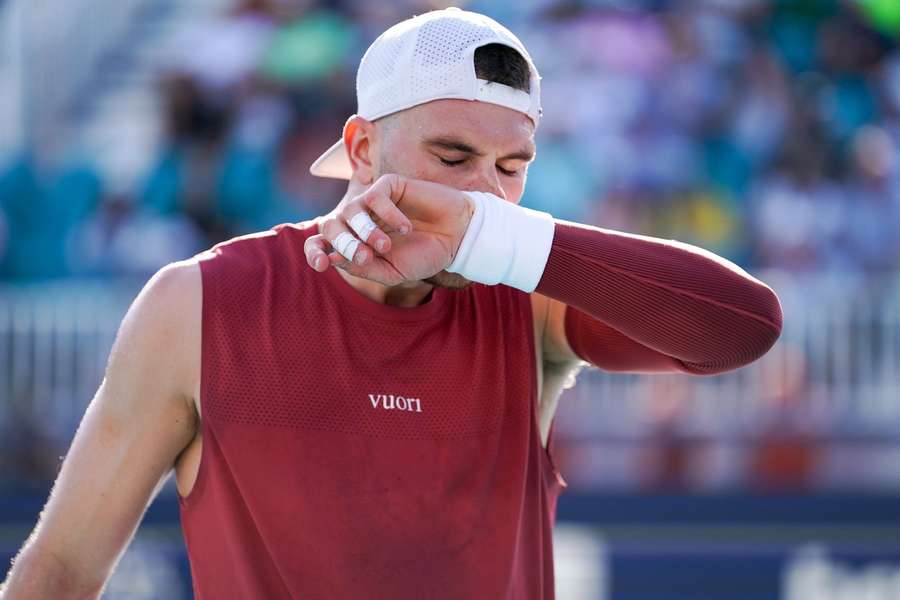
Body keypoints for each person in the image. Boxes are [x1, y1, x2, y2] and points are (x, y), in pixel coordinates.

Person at [0, 8, 782, 599]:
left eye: (512, 166)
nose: (484, 193)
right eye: (453, 157)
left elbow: (743, 329)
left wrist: (502, 241)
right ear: (363, 147)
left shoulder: (528, 292)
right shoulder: (201, 300)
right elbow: (62, 567)